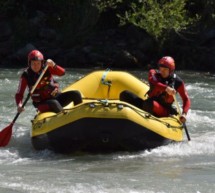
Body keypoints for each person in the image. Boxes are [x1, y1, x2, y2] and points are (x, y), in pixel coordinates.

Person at [120, 56, 191, 123]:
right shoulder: (153, 73)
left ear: (171, 70)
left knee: (149, 103)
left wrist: (184, 113)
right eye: (161, 68)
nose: (162, 71)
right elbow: (155, 83)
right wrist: (166, 88)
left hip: (164, 110)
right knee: (125, 94)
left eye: (165, 69)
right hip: (148, 105)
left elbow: (186, 99)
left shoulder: (178, 82)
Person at [15, 49, 82, 113]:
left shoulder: (47, 68)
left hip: (56, 97)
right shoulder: (26, 75)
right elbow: (19, 94)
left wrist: (54, 65)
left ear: (42, 63)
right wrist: (19, 105)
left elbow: (62, 73)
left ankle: (80, 114)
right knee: (53, 103)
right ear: (29, 64)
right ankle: (64, 118)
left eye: (38, 63)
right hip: (42, 104)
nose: (36, 66)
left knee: (76, 94)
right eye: (33, 64)